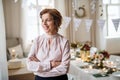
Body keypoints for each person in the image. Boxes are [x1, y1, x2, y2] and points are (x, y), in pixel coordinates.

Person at [26, 8, 71, 80]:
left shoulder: (64, 41)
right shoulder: (37, 40)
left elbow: (64, 68)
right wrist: (51, 64)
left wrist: (40, 66)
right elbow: (30, 65)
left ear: (56, 22)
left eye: (48, 20)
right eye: (42, 20)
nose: (44, 23)